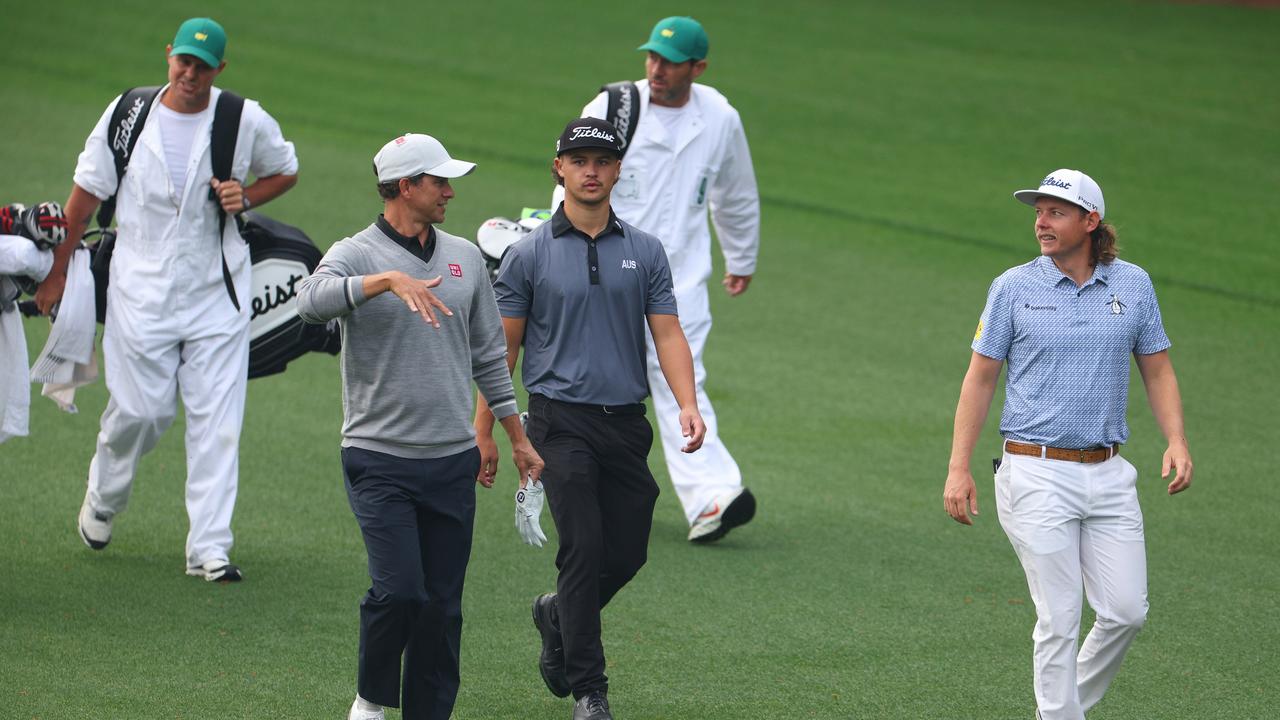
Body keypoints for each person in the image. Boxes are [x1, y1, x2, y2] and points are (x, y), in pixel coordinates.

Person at [34, 17, 299, 581]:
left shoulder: (240, 117)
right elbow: (84, 198)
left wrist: (245, 195)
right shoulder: (128, 113)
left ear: (219, 70)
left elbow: (286, 168)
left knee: (219, 419)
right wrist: (56, 273)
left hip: (217, 289)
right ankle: (103, 497)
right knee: (140, 411)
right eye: (183, 61)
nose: (190, 73)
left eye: (202, 66)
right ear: (168, 57)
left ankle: (210, 548)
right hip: (139, 286)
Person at [297, 133, 543, 720]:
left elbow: (488, 354)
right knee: (400, 590)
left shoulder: (462, 257)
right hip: (378, 458)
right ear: (405, 187)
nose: (450, 192)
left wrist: (513, 437)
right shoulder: (356, 252)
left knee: (442, 606)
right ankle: (371, 700)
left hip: (451, 459)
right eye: (439, 182)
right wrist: (384, 281)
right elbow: (310, 301)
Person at [942, 169, 1194, 720]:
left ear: (1090, 221)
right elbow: (979, 378)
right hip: (1034, 472)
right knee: (1058, 616)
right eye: (1038, 212)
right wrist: (958, 467)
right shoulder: (1013, 287)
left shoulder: (1134, 285)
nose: (1041, 223)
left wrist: (1176, 438)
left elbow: (1157, 370)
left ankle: (1059, 712)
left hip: (1108, 474)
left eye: (1056, 212)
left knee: (1126, 612)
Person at [477, 117, 706, 720]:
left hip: (625, 424)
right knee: (583, 546)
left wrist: (687, 402)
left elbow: (668, 333)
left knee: (627, 551)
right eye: (578, 160)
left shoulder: (645, 251)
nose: (590, 170)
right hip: (559, 423)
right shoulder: (527, 256)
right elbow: (502, 352)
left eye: (601, 161)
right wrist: (490, 432)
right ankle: (590, 691)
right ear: (559, 168)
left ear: (616, 171)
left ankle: (557, 614)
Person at [559, 15, 760, 543]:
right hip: (601, 268)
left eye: (670, 63)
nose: (657, 70)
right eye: (652, 58)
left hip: (680, 275)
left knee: (682, 378)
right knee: (594, 380)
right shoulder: (614, 107)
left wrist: (741, 256)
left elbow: (734, 191)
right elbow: (572, 180)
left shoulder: (720, 116)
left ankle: (712, 496)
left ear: (698, 67)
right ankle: (586, 486)